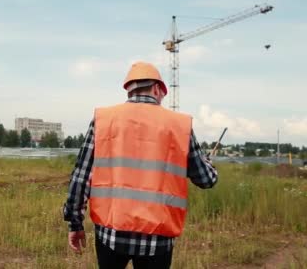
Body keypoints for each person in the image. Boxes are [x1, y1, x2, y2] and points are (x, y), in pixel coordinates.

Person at [63, 61, 218, 269]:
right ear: (156, 89)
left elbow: (81, 177)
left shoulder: (104, 120)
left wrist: (75, 223)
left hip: (111, 234)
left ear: (129, 90)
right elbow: (206, 179)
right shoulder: (178, 125)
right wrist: (208, 162)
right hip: (158, 238)